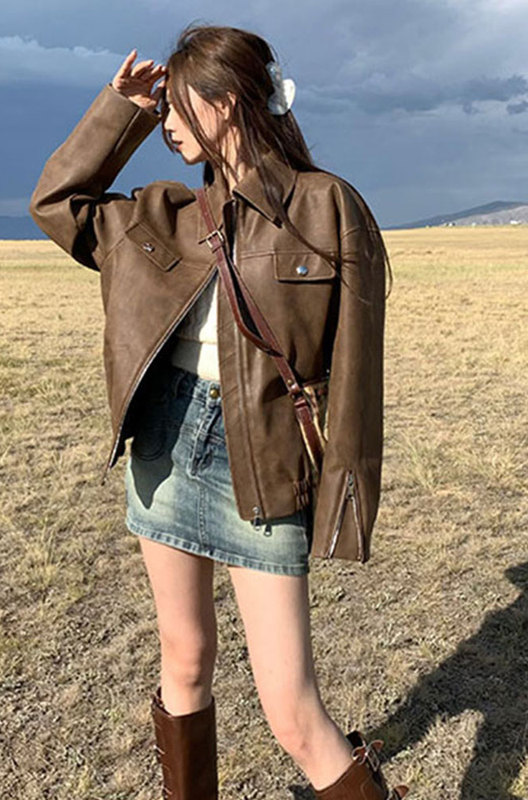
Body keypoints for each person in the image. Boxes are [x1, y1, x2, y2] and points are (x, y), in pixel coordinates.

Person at [30, 22, 407, 800]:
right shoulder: (160, 213)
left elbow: (356, 381)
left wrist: (343, 501)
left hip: (263, 461)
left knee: (292, 711)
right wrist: (121, 111)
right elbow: (58, 204)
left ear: (227, 101)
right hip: (165, 450)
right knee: (184, 659)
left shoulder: (325, 207)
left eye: (175, 104)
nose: (166, 121)